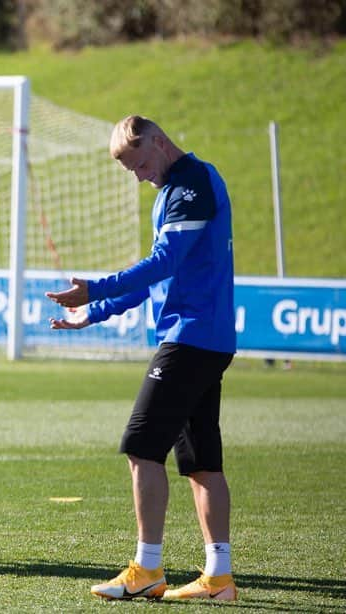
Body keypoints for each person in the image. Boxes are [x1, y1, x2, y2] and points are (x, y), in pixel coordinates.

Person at [46, 115, 237, 601]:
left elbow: (163, 264)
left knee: (141, 446)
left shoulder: (192, 182)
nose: (138, 174)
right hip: (200, 339)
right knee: (200, 463)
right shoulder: (173, 190)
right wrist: (96, 311)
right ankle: (219, 578)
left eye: (139, 163)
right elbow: (159, 278)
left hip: (191, 339)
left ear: (157, 141)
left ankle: (147, 568)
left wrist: (96, 286)